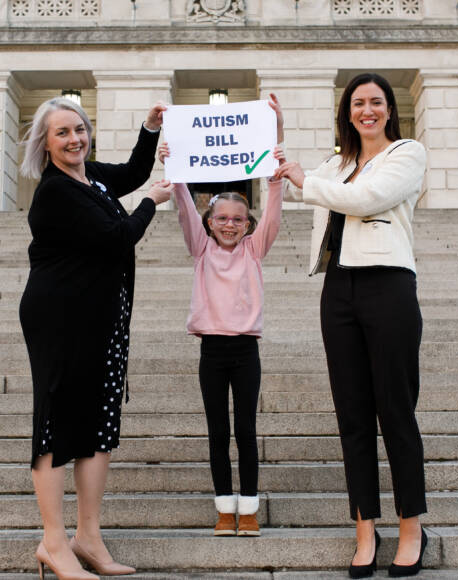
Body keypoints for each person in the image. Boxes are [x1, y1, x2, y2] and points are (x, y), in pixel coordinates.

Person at [273, 73, 427, 578]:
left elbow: (365, 199)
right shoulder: (336, 164)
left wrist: (303, 180)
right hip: (337, 289)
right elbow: (290, 181)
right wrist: (270, 136)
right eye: (358, 103)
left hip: (388, 285)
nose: (367, 110)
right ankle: (365, 528)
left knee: (395, 411)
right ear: (347, 111)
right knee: (353, 416)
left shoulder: (407, 153)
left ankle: (410, 527)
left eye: (376, 102)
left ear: (388, 109)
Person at [19, 96, 173, 580]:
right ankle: (53, 542)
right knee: (57, 425)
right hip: (61, 317)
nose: (74, 139)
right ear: (45, 144)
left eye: (80, 129)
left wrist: (149, 129)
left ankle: (88, 536)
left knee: (98, 426)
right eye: (62, 132)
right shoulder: (56, 193)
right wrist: (153, 200)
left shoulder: (91, 177)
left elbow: (129, 172)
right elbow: (116, 236)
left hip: (102, 317)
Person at [156, 94, 285, 537]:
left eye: (238, 219)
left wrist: (276, 134)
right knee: (217, 432)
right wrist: (173, 167)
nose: (230, 225)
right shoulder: (200, 246)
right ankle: (223, 508)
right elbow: (183, 202)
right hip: (211, 351)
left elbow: (273, 196)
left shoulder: (255, 249)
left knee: (245, 430)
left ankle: (248, 509)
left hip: (245, 351)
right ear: (210, 222)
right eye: (222, 218)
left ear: (248, 225)